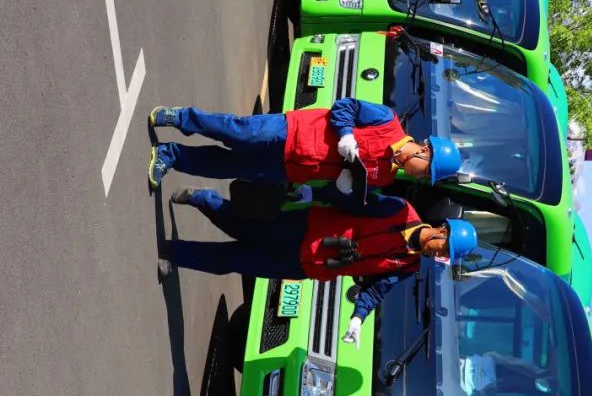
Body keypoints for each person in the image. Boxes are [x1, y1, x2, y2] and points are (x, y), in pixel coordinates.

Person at [158, 184, 477, 344]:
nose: (437, 254)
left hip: (305, 267)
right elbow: (355, 201)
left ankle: (174, 254)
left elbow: (377, 290)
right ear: (441, 231)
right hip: (305, 229)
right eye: (443, 248)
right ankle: (205, 199)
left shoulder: (407, 265)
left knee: (234, 260)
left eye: (442, 256)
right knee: (241, 229)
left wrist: (358, 318)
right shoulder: (400, 211)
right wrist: (317, 192)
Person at [147, 100, 462, 198]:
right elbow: (345, 107)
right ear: (425, 151)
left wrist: (343, 184)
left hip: (290, 169)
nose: (419, 178)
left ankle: (170, 156)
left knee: (228, 166)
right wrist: (346, 135)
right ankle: (182, 118)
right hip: (293, 131)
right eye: (426, 173)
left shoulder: (384, 178)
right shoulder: (387, 121)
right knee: (235, 130)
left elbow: (339, 186)